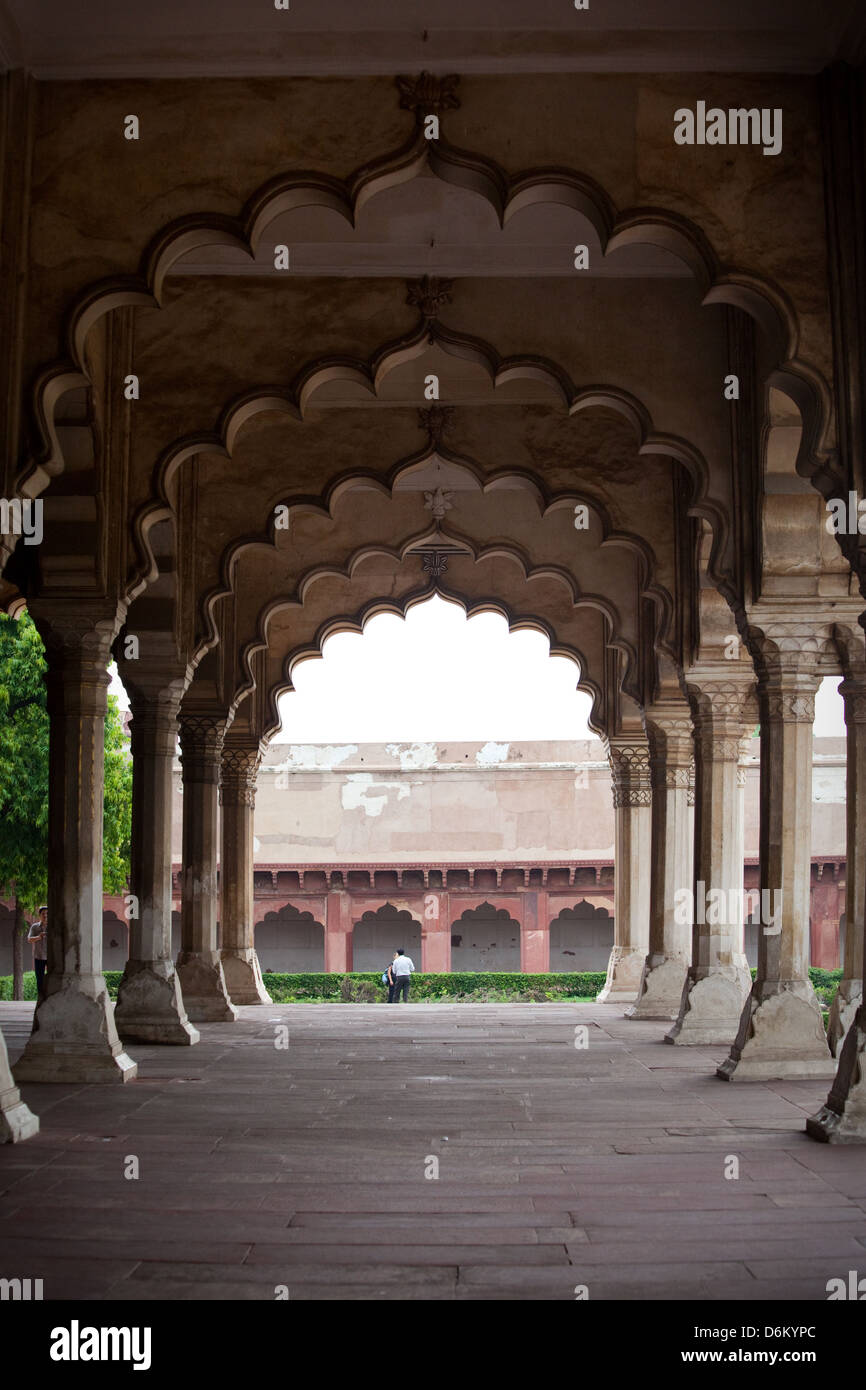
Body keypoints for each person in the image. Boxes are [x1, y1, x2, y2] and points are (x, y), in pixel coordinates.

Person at [27, 905, 48, 999]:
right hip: (39, 956)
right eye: (43, 914)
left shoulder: (53, 926)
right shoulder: (35, 927)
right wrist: (39, 937)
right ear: (39, 915)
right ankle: (41, 998)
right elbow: (29, 939)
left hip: (51, 957)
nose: (45, 916)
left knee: (53, 978)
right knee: (39, 979)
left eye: (47, 914)